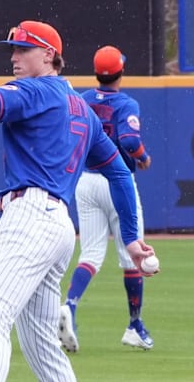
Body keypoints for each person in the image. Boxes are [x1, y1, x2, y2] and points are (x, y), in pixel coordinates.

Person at [0, 21, 154, 382]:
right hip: (57, 229)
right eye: (12, 49)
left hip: (29, 220)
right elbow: (122, 175)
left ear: (49, 55)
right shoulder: (81, 109)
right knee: (42, 348)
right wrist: (131, 240)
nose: (14, 57)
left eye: (22, 49)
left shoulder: (36, 90)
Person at [58, 46, 154, 353]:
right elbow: (129, 140)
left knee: (91, 253)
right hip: (117, 179)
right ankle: (134, 326)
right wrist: (143, 157)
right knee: (132, 255)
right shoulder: (126, 103)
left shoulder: (83, 99)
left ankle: (70, 306)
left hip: (85, 180)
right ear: (121, 72)